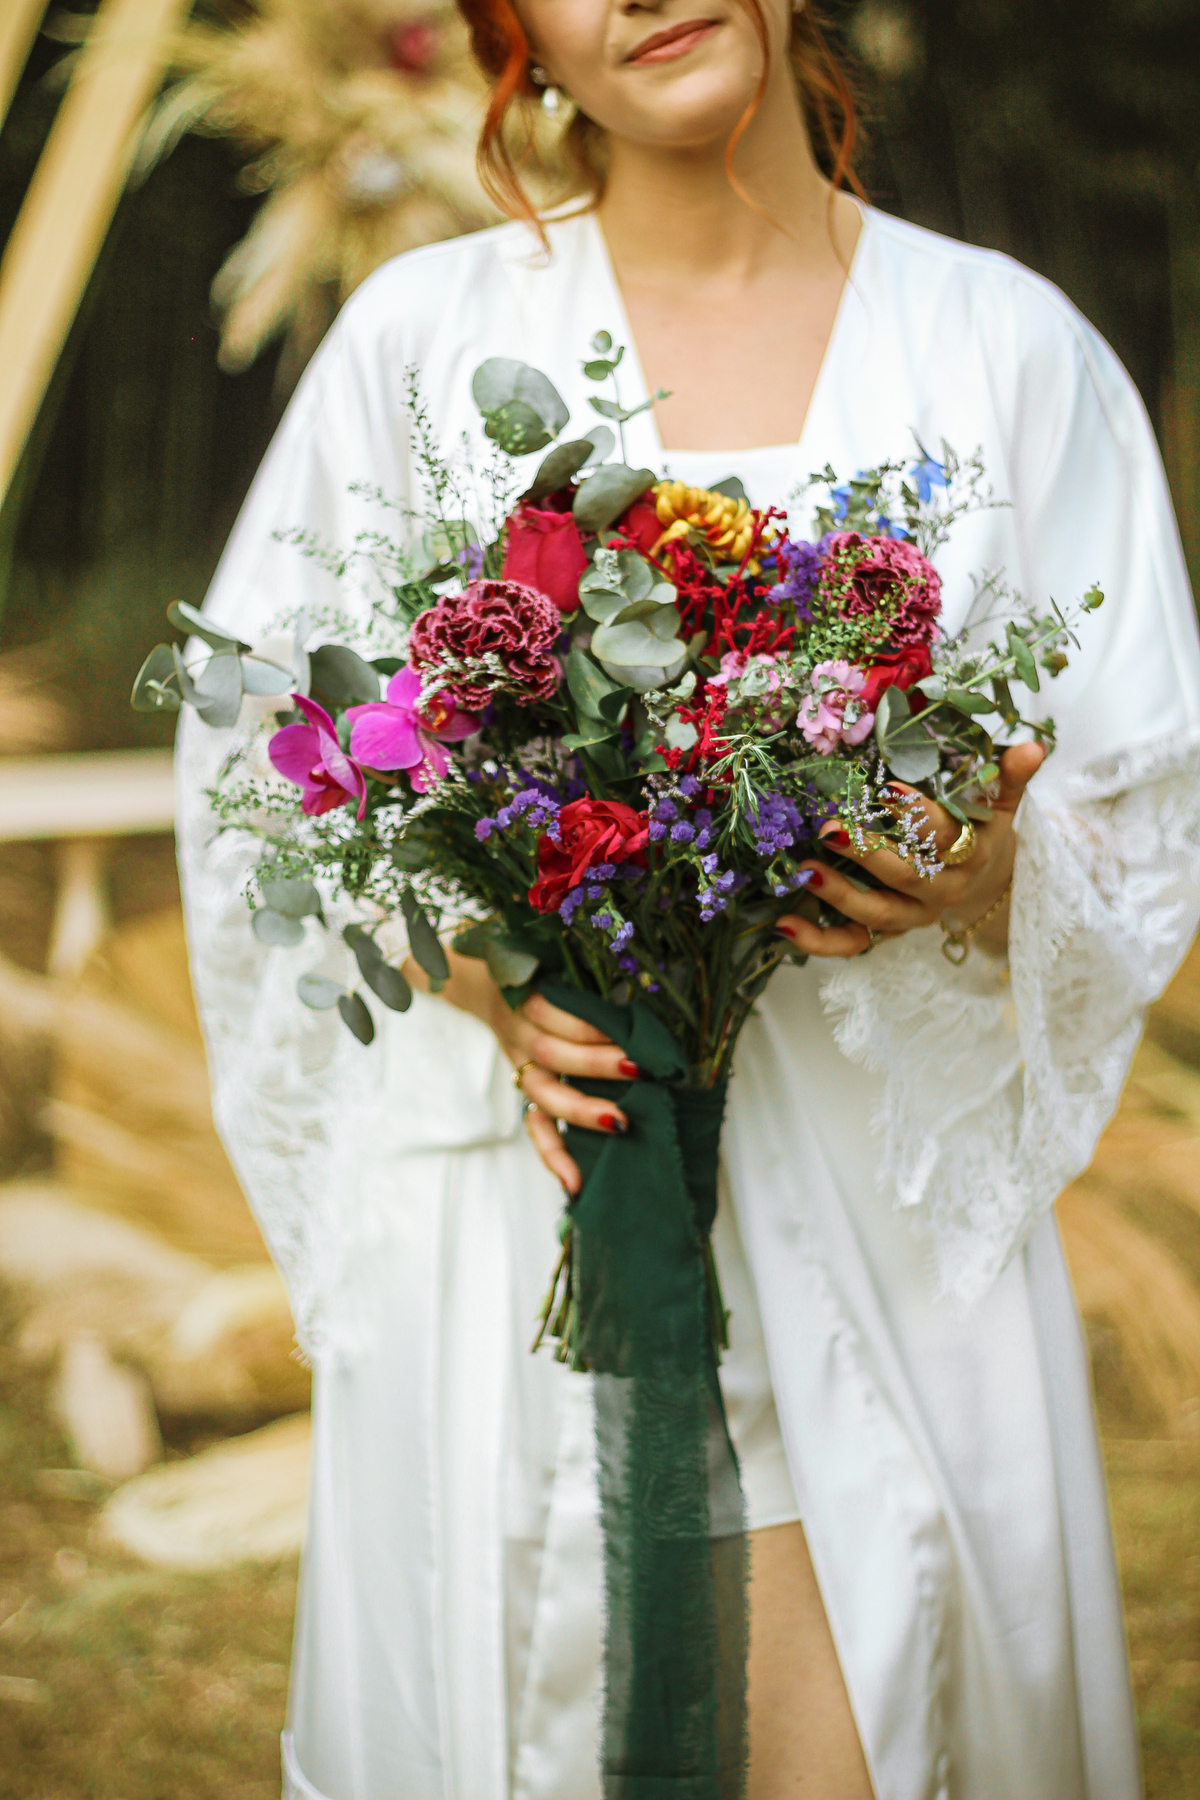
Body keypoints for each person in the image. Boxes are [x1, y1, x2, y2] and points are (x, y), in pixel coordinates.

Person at [175, 3, 1200, 1796]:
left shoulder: (1001, 348)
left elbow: (1147, 792)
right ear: (513, 37)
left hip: (875, 1210)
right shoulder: (424, 344)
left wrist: (992, 872)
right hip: (532, 1208)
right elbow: (268, 749)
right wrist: (482, 960)